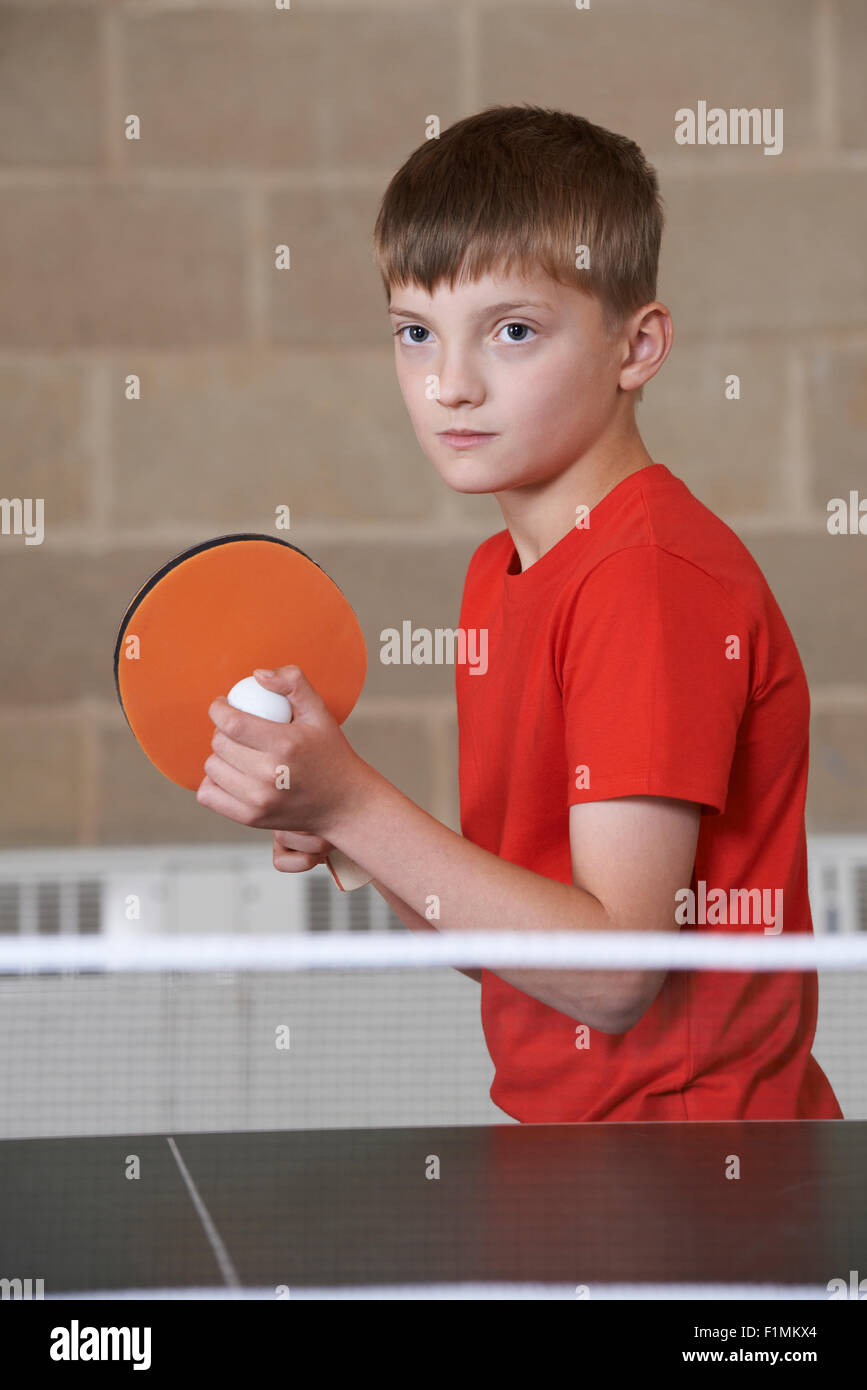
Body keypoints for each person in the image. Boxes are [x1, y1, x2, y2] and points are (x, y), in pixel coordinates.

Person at [199, 105, 841, 1123]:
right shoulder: (500, 575)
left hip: (702, 1185)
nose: (450, 385)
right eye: (416, 333)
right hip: (584, 1165)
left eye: (513, 331)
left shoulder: (651, 582)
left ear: (638, 347)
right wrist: (345, 827)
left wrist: (357, 802)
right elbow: (516, 950)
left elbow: (614, 971)